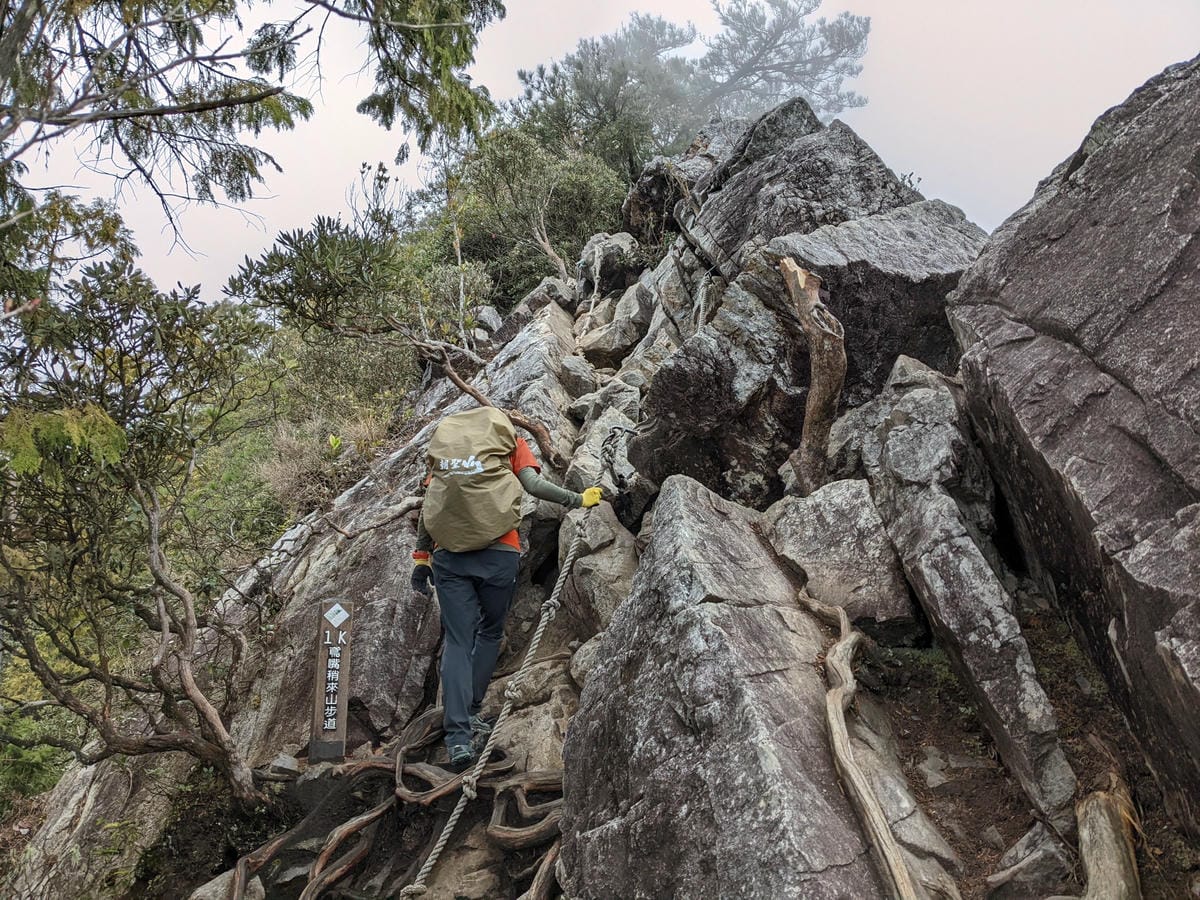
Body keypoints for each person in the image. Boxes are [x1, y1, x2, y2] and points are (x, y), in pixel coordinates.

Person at [411, 412, 602, 772]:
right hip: (499, 554)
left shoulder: (448, 453)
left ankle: (457, 738)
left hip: (449, 557)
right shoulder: (511, 442)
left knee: (457, 642)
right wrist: (578, 499)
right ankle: (472, 710)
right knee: (489, 631)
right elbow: (533, 485)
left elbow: (430, 504)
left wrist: (421, 557)